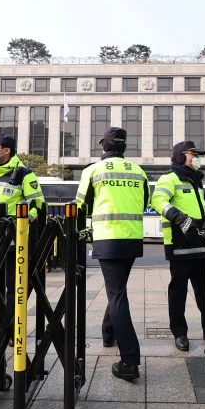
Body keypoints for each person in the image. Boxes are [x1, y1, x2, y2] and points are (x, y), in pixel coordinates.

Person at [76, 127, 148, 381]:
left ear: (104, 146)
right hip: (132, 239)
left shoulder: (93, 171)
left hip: (107, 237)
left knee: (116, 295)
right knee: (117, 290)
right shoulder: (138, 171)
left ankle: (130, 360)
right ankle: (109, 333)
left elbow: (80, 207)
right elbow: (144, 202)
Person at [150, 141, 205, 352]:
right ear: (180, 156)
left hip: (200, 244)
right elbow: (157, 200)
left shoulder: (196, 181)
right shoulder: (169, 178)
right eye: (193, 154)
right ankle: (180, 333)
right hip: (179, 244)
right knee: (179, 292)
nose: (197, 158)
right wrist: (177, 216)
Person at [0, 133, 44, 342]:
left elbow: (37, 204)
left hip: (12, 239)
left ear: (6, 150)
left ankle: (9, 330)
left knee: (12, 287)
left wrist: (21, 224)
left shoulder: (25, 174)